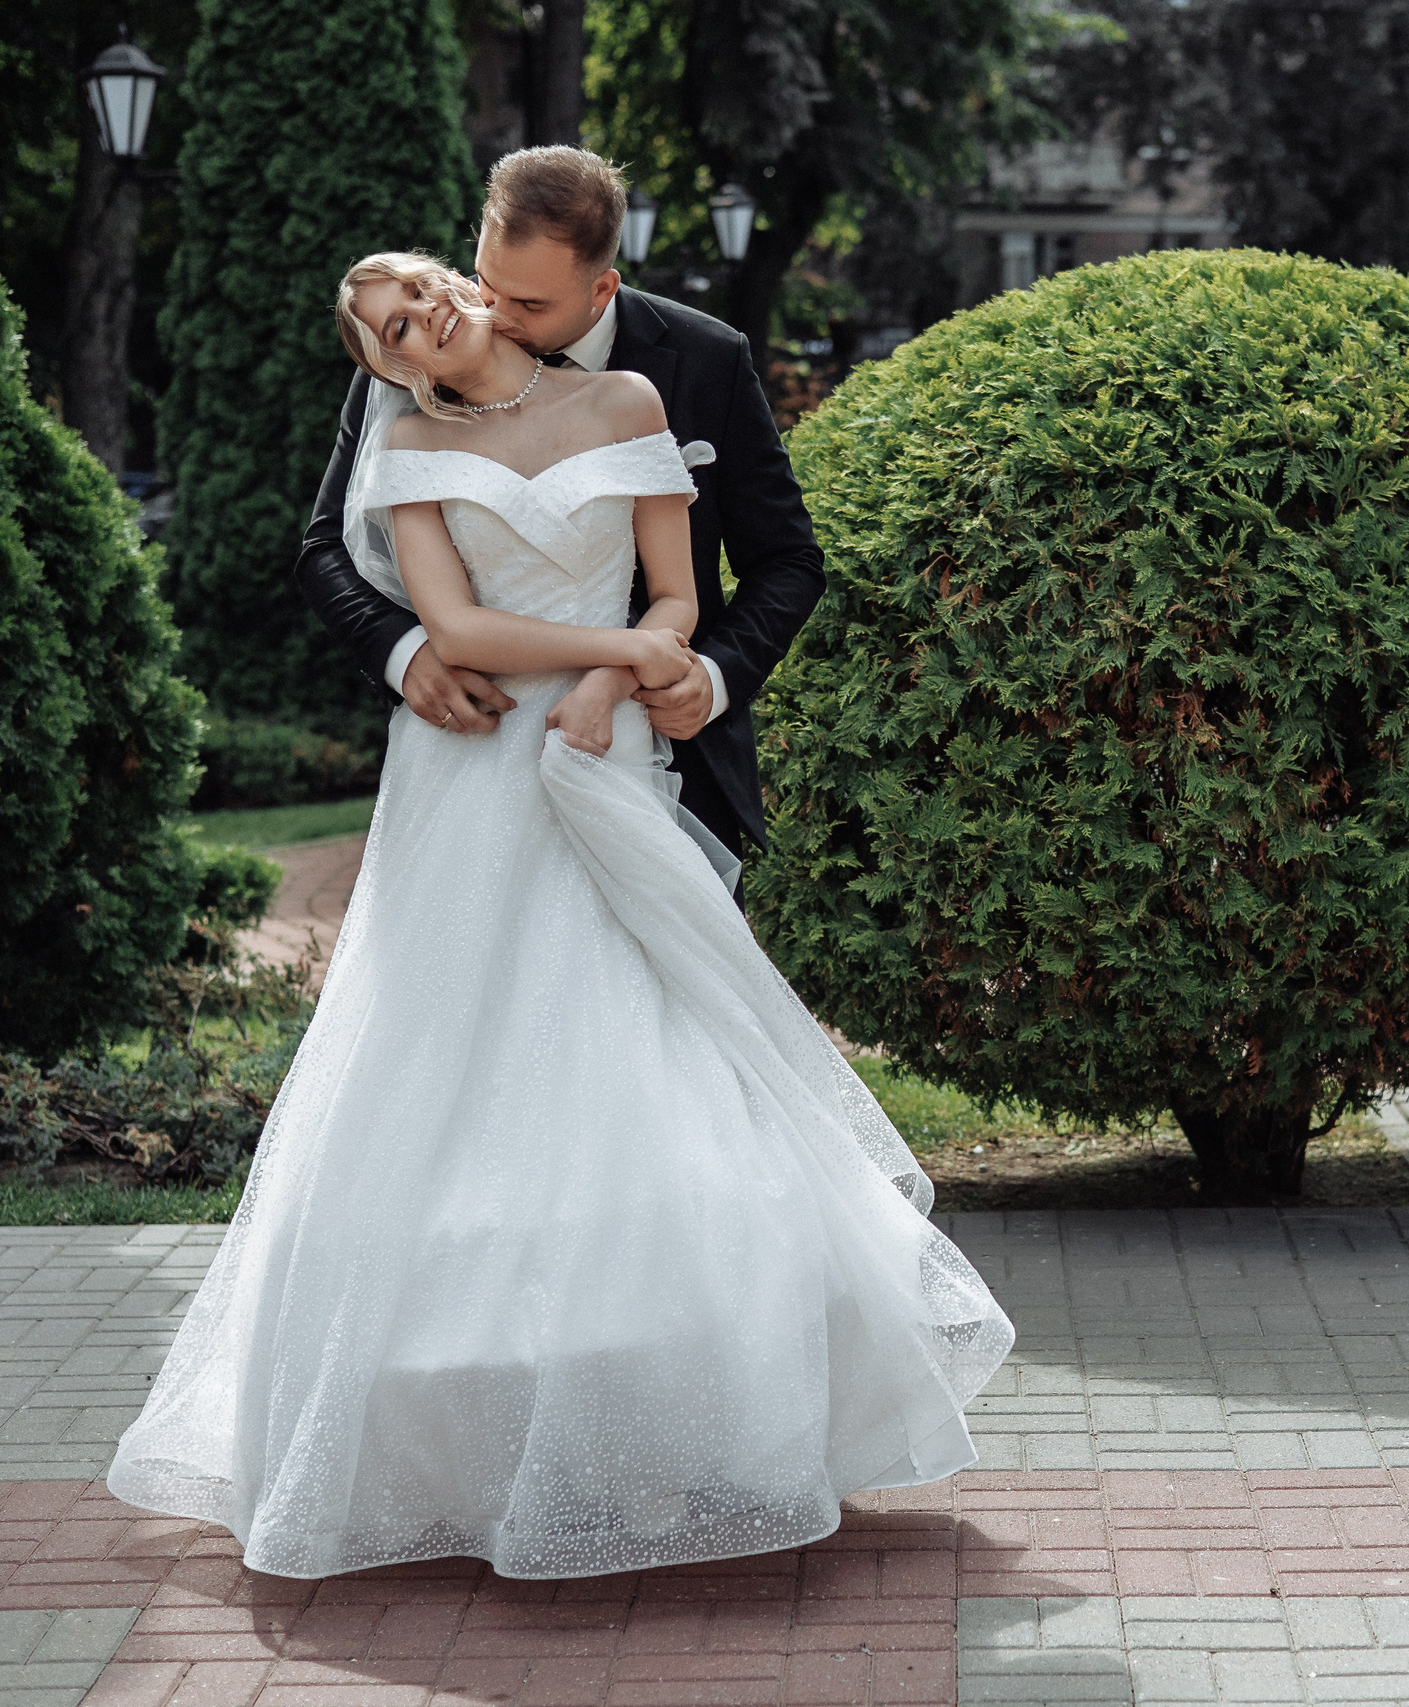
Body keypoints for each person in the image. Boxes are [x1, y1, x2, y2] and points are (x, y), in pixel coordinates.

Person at [102, 238, 1016, 1581]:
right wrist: (614, 650)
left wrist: (630, 676)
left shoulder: (645, 390)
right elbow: (453, 623)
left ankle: (682, 1409)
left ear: (465, 283)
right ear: (380, 363)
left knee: (642, 1038)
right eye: (384, 329)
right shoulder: (406, 437)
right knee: (447, 1050)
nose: (414, 322)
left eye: (416, 293)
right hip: (467, 769)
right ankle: (439, 1437)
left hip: (607, 757)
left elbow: (695, 580)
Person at [293, 145, 823, 860]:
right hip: (480, 746)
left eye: (531, 304)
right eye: (484, 280)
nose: (491, 312)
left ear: (601, 290)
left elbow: (787, 559)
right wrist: (408, 651)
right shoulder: (413, 368)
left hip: (663, 752)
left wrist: (712, 676)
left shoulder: (702, 362)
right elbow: (328, 546)